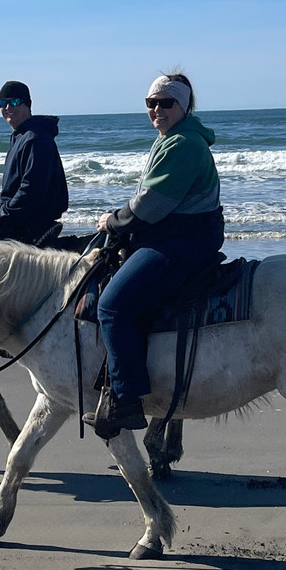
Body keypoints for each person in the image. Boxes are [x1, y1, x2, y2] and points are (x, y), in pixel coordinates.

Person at [83, 72, 224, 436]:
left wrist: (113, 221)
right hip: (172, 234)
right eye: (151, 103)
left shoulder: (184, 144)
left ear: (184, 106)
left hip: (181, 241)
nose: (157, 109)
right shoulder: (171, 138)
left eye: (166, 103)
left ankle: (127, 399)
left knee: (111, 305)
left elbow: (151, 205)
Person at [0, 81, 69, 245]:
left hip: (30, 224)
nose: (8, 107)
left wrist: (0, 216)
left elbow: (31, 191)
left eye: (14, 102)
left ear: (27, 104)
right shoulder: (20, 137)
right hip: (16, 218)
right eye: (3, 103)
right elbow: (12, 191)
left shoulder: (36, 139)